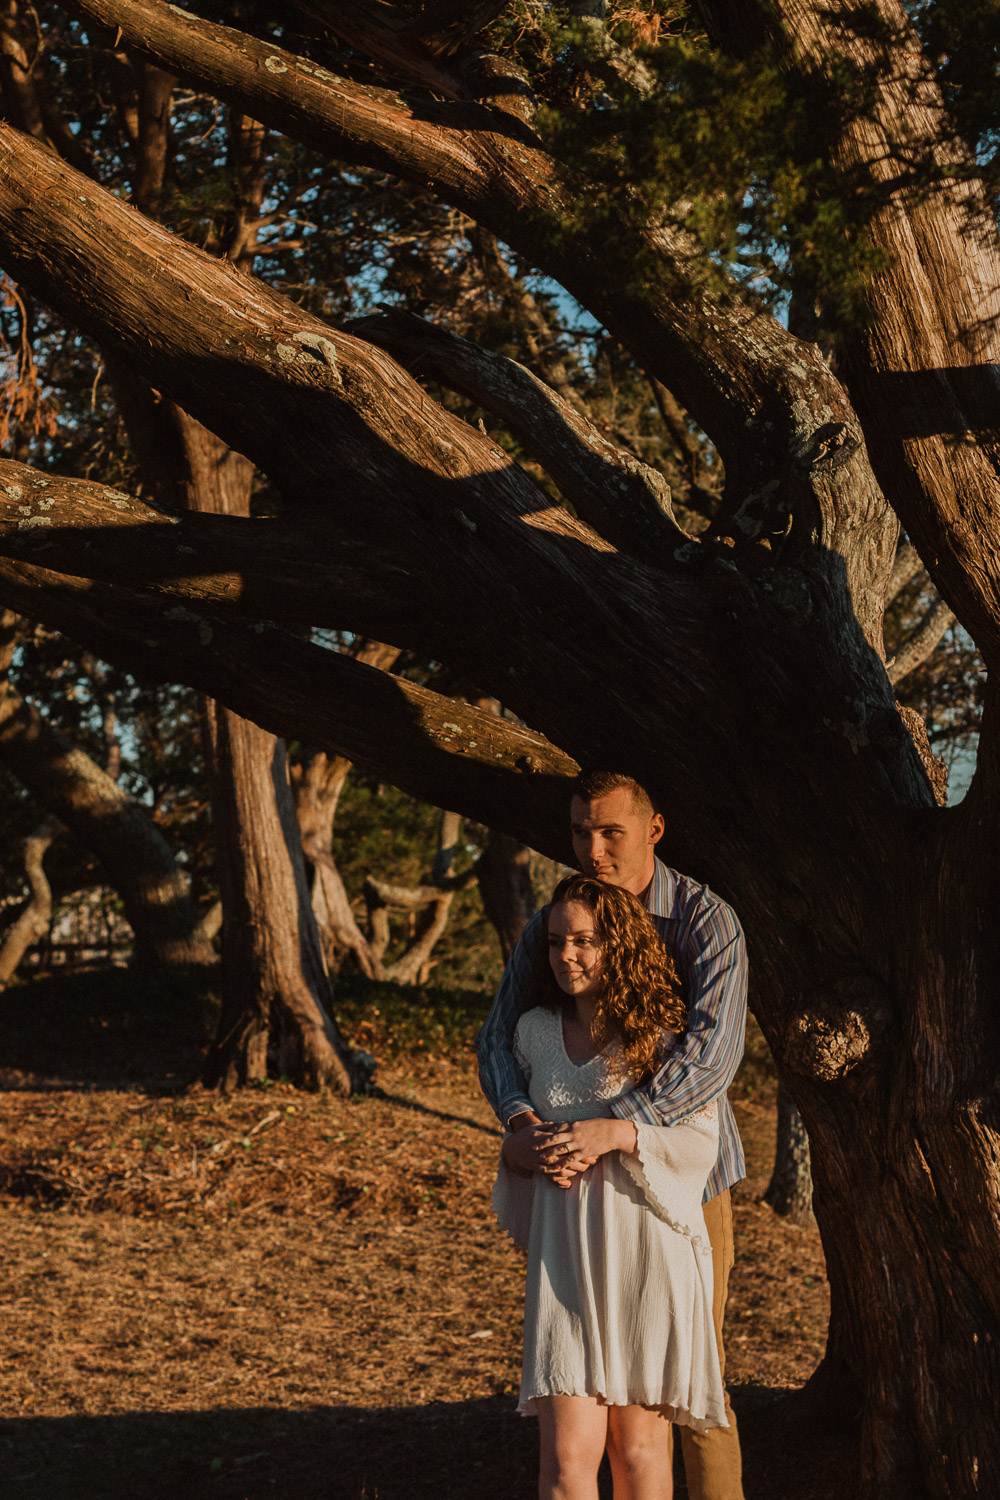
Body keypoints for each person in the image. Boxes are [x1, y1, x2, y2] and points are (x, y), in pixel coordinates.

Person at [476, 771, 747, 1500]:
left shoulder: (702, 919)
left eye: (610, 833)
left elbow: (711, 1058)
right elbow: (502, 1037)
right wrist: (522, 1123)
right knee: (572, 1439)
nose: (592, 849)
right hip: (572, 1216)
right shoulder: (553, 924)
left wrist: (617, 1130)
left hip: (677, 1192)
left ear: (653, 831)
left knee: (688, 1391)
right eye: (578, 833)